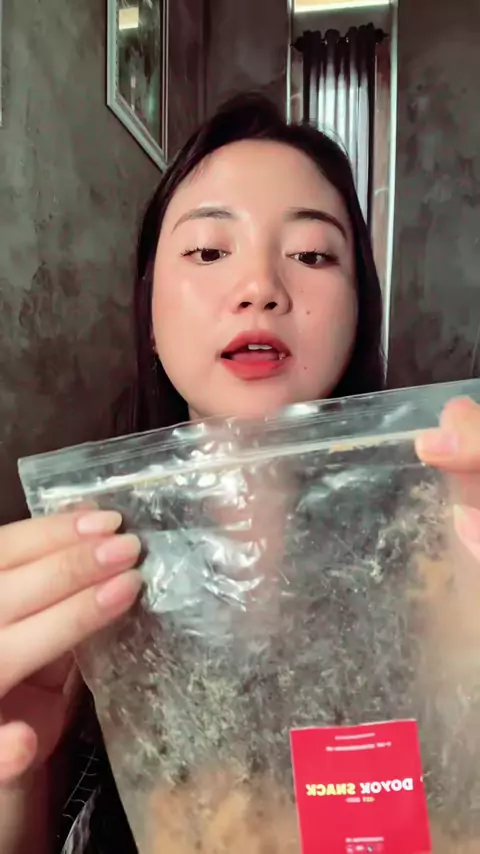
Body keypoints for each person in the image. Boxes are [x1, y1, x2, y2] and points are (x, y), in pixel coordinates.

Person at [1, 93, 480, 854]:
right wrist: (14, 780)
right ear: (148, 311)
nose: (261, 287)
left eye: (313, 256)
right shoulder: (78, 574)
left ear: (359, 309)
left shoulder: (443, 545)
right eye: (207, 251)